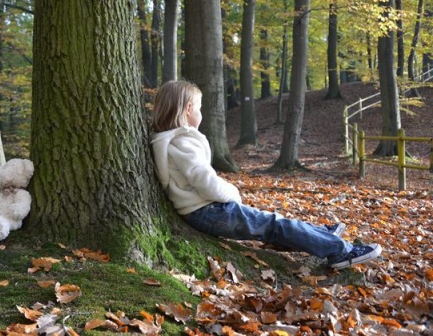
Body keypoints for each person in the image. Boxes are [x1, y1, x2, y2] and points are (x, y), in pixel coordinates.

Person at [150, 80, 382, 270]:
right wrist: (233, 193)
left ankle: (321, 234)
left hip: (203, 211)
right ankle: (340, 250)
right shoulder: (182, 142)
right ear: (189, 108)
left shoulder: (169, 141)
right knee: (273, 225)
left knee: (272, 222)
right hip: (209, 210)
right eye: (199, 108)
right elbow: (204, 181)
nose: (201, 113)